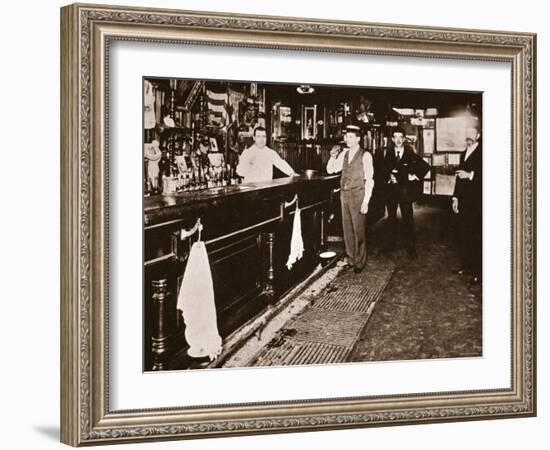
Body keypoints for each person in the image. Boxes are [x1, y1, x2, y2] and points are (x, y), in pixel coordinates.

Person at [326, 125, 374, 273]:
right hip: (344, 195)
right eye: (346, 136)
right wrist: (332, 157)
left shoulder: (365, 155)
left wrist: (366, 201)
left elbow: (370, 179)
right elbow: (331, 169)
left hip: (358, 195)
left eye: (351, 137)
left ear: (358, 139)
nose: (347, 139)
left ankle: (360, 262)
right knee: (347, 229)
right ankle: (351, 258)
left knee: (358, 229)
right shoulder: (344, 154)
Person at [382, 128, 430, 258]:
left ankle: (411, 249)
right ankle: (390, 246)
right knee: (391, 219)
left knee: (408, 220)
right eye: (395, 137)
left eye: (400, 137)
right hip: (391, 193)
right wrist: (388, 177)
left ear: (404, 139)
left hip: (405, 193)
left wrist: (414, 176)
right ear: (392, 139)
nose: (398, 140)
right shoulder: (389, 154)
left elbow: (425, 167)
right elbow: (383, 170)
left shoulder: (410, 154)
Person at [452, 127, 482, 284]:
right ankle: (467, 265)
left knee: (476, 236)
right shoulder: (464, 152)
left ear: (478, 136)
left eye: (472, 135)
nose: (468, 138)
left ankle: (479, 272)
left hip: (476, 201)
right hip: (463, 200)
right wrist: (455, 197)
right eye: (467, 135)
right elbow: (458, 177)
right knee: (464, 233)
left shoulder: (483, 152)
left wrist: (470, 175)